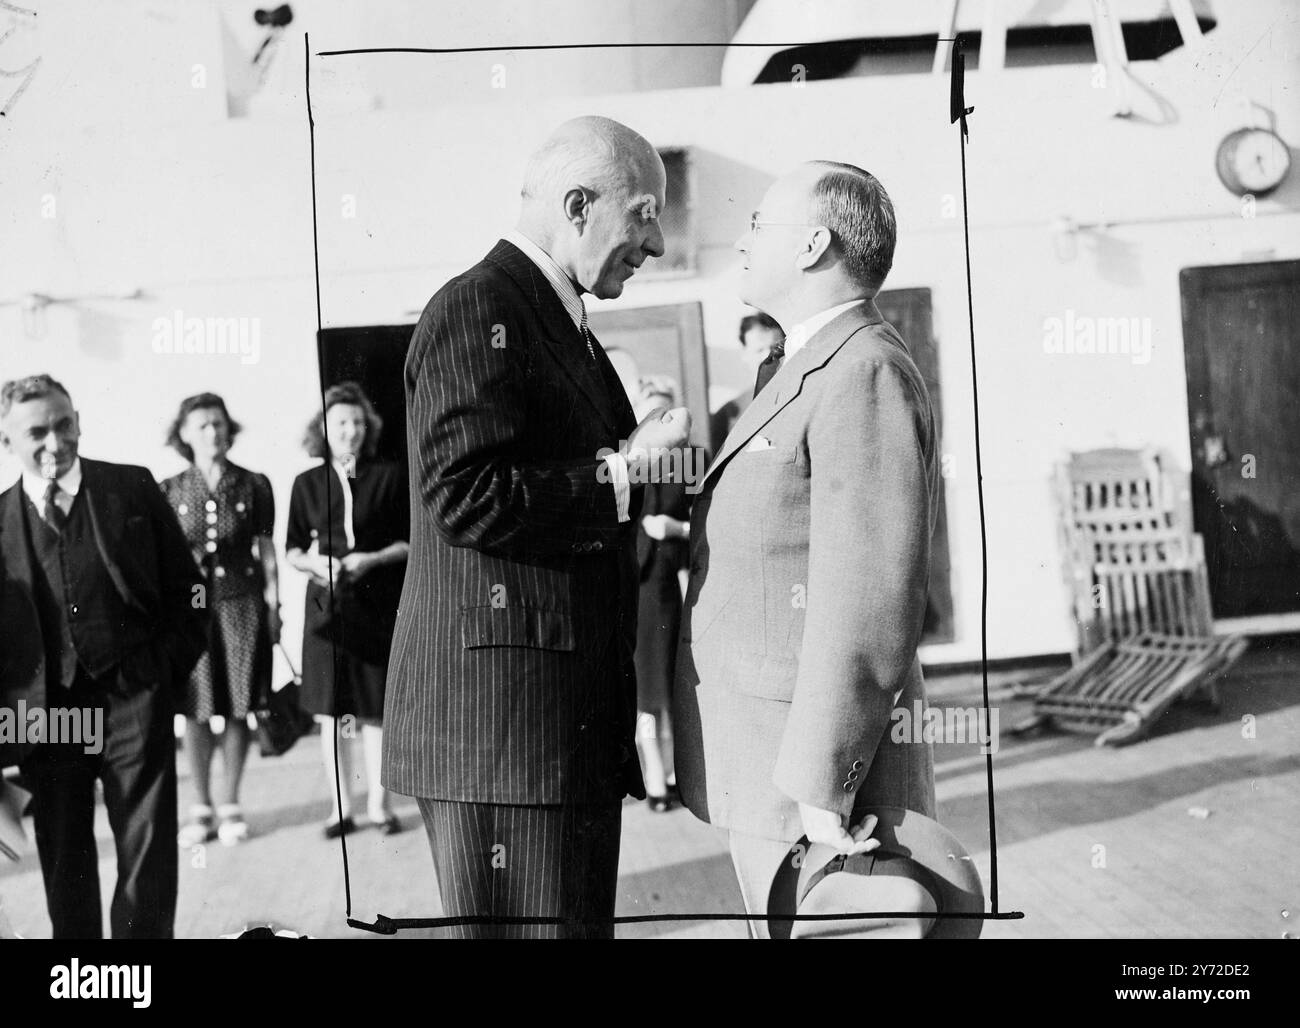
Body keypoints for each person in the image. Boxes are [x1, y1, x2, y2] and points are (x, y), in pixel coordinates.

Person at [382, 115, 691, 939]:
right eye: (644, 213)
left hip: (550, 730)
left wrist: (626, 455)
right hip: (506, 736)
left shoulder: (553, 316)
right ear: (578, 205)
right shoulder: (478, 306)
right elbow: (464, 493)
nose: (656, 243)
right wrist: (625, 473)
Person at [673, 162, 940, 938]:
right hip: (772, 764)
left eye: (759, 224)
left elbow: (868, 596)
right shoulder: (804, 363)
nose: (742, 239)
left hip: (812, 783)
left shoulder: (862, 370)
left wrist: (823, 787)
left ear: (815, 243)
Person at [0, 374, 207, 938]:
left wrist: (161, 672)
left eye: (64, 425)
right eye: (36, 431)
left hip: (132, 695)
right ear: (7, 440)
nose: (54, 442)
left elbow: (192, 591)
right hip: (48, 716)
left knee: (147, 851)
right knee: (64, 855)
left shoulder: (130, 488)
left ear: (79, 420)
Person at [286, 381, 409, 839]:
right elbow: (293, 548)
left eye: (358, 422)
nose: (350, 430)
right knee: (332, 713)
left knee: (375, 710)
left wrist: (371, 559)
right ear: (323, 428)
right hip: (325, 608)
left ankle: (380, 806)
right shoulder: (306, 483)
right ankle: (341, 807)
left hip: (376, 603)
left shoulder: (390, 476)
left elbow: (410, 543)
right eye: (340, 422)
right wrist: (317, 563)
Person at [161, 393, 279, 847]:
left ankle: (230, 803)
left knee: (237, 702)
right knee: (193, 706)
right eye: (202, 425)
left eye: (219, 423)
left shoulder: (254, 484)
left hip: (242, 602)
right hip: (188, 608)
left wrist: (274, 606)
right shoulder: (169, 489)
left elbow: (266, 552)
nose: (213, 432)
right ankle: (201, 805)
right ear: (185, 434)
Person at [631, 376, 692, 812]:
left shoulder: (688, 463)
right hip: (634, 592)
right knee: (644, 699)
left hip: (670, 589)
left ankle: (672, 776)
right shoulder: (625, 460)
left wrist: (676, 530)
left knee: (668, 692)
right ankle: (654, 780)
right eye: (652, 412)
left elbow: (709, 528)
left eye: (666, 412)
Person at [710, 312, 785, 446]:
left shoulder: (805, 395)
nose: (768, 356)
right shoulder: (727, 415)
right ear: (745, 354)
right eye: (759, 350)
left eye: (775, 348)